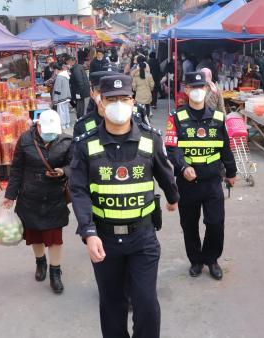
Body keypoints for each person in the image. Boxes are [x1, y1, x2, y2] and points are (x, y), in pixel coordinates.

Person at [69, 74, 179, 338]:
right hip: (104, 239)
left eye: (124, 99)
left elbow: (165, 173)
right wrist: (88, 231)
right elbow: (78, 189)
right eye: (111, 99)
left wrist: (173, 198)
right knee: (112, 304)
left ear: (133, 102)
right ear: (100, 103)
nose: (119, 104)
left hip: (143, 238)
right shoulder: (86, 144)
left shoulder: (150, 140)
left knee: (146, 304)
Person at [165, 71, 237, 280]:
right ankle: (196, 260)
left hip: (213, 179)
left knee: (215, 222)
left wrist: (231, 172)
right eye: (192, 88)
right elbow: (172, 148)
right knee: (189, 224)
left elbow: (225, 147)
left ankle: (212, 259)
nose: (197, 91)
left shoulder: (217, 117)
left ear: (207, 89)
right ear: (186, 90)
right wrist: (182, 166)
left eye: (201, 87)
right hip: (187, 182)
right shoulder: (176, 118)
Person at [2, 110, 72, 294]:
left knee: (55, 236)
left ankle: (55, 272)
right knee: (36, 234)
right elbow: (16, 169)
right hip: (30, 196)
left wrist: (63, 171)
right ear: (38, 126)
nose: (50, 134)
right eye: (46, 130)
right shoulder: (25, 140)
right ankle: (40, 262)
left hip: (54, 196)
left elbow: (75, 164)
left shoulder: (66, 142)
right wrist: (10, 196)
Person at [52, 62, 72, 130]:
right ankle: (67, 124)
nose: (54, 72)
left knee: (61, 112)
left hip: (61, 98)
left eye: (54, 70)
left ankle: (63, 125)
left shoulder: (59, 77)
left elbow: (57, 89)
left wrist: (55, 99)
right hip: (66, 96)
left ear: (56, 69)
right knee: (66, 111)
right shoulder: (65, 75)